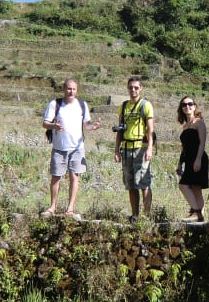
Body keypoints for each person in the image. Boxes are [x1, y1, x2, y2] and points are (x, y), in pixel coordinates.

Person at [41, 78, 101, 217]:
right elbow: (45, 123)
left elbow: (86, 124)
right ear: (64, 89)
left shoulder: (82, 105)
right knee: (56, 177)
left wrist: (94, 126)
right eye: (69, 88)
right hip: (59, 147)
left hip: (77, 148)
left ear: (77, 90)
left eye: (74, 89)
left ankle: (70, 209)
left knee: (75, 177)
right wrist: (53, 126)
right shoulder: (55, 104)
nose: (71, 91)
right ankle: (52, 207)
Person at [114, 76, 154, 222]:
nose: (133, 90)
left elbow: (150, 129)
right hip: (126, 149)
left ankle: (147, 216)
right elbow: (120, 130)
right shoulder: (123, 107)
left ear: (141, 88)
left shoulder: (146, 105)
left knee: (143, 183)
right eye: (131, 87)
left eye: (136, 88)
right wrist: (116, 150)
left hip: (141, 148)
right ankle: (135, 215)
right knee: (130, 184)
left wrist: (150, 148)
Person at [175, 96, 209, 221]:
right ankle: (200, 216)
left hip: (198, 158)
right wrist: (179, 164)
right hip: (188, 159)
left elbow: (202, 142)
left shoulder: (199, 122)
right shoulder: (185, 126)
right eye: (184, 105)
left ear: (195, 106)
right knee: (195, 189)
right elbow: (183, 148)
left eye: (190, 104)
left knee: (183, 185)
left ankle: (196, 212)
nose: (187, 106)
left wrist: (198, 159)